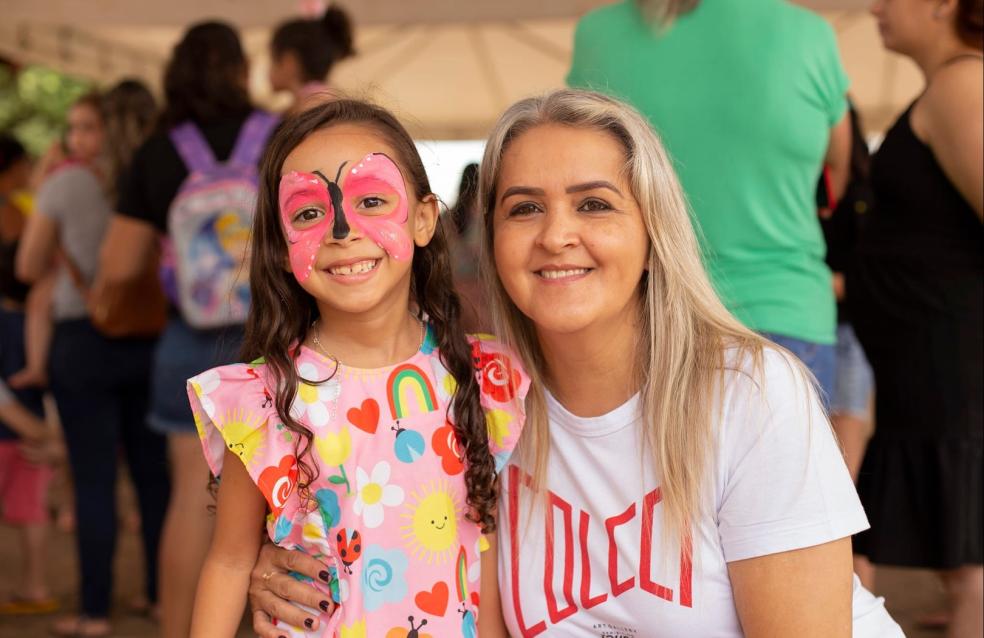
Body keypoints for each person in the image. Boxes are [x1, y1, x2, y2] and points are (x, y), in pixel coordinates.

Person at [247, 90, 903, 637]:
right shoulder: (476, 403)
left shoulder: (750, 394)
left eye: (594, 204)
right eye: (524, 208)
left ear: (653, 235)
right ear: (492, 241)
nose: (556, 234)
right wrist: (285, 566)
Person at [187, 99, 526, 637]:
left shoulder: (482, 382)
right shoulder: (261, 400)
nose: (342, 229)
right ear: (280, 249)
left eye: (371, 200)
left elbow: (483, 560)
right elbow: (229, 562)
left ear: (423, 218)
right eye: (307, 212)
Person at [566, 0, 852, 396]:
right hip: (785, 306)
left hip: (649, 312)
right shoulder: (809, 32)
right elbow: (837, 170)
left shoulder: (598, 33)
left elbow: (578, 167)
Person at [98, 21, 278, 638]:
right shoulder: (277, 136)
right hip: (276, 336)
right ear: (239, 68)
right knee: (287, 495)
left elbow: (118, 264)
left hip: (189, 343)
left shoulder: (156, 152)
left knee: (192, 501)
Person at [16, 83, 171, 637]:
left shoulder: (66, 184)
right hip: (153, 337)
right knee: (156, 479)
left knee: (94, 480)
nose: (75, 136)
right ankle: (159, 596)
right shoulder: (155, 175)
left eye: (84, 126)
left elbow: (30, 266)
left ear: (101, 128)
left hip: (82, 341)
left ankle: (94, 612)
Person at [849, 1, 983, 636]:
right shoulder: (951, 85)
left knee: (974, 576)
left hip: (956, 372)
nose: (875, 5)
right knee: (964, 570)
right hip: (932, 373)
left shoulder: (964, 84)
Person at [0, 134, 57, 617]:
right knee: (31, 503)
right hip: (29, 424)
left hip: (14, 423)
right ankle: (36, 586)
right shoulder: (23, 213)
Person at [818, 104, 876, 484]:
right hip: (821, 326)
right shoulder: (808, 191)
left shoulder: (867, 194)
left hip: (850, 331)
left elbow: (875, 269)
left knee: (843, 470)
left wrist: (830, 283)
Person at [269, 6, 355, 114]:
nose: (268, 70)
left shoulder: (313, 104)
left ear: (288, 62)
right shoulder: (322, 98)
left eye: (272, 60)